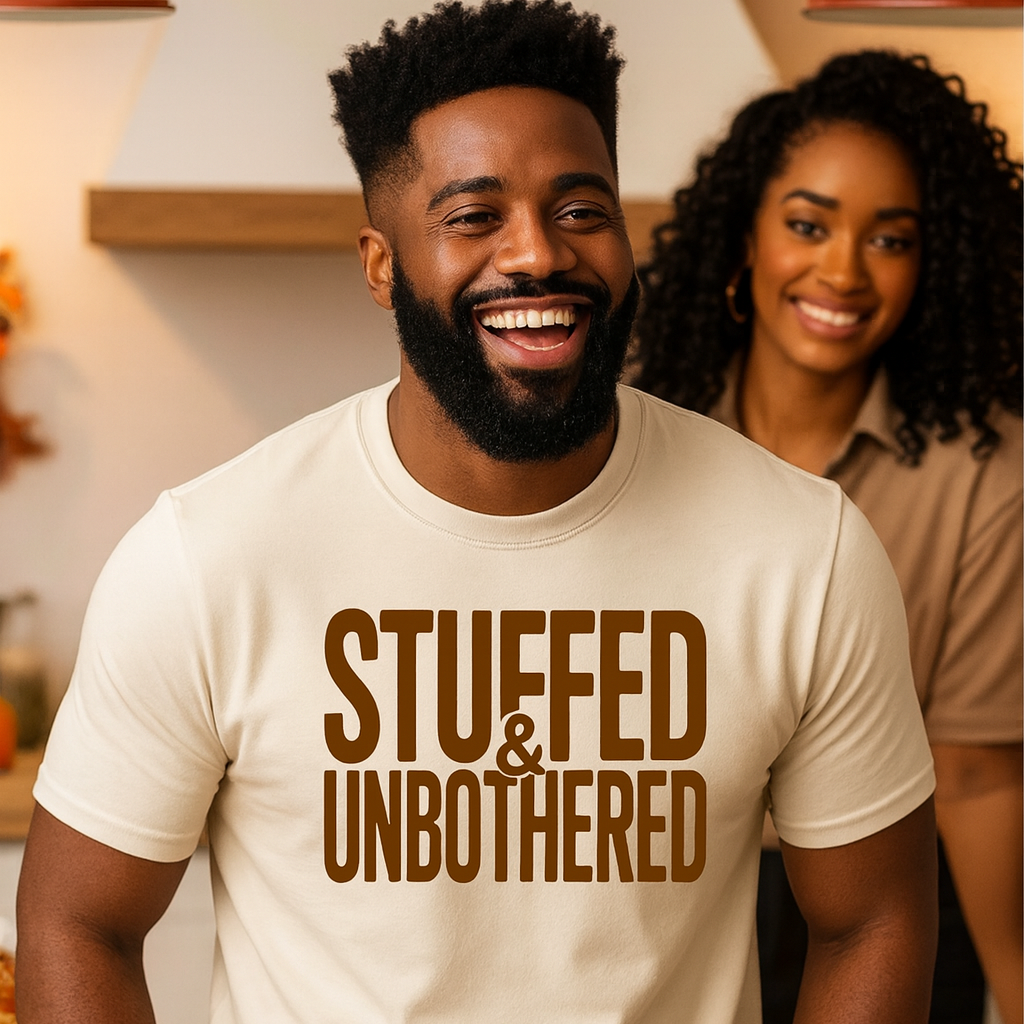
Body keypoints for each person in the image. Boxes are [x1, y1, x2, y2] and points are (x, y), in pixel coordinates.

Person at [17, 7, 938, 1023]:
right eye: (473, 216)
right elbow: (77, 922)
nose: (537, 253)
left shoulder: (802, 548)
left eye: (581, 209)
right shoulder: (207, 558)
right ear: (380, 263)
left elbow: (873, 919)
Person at [632, 50, 1022, 1024]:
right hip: (655, 893)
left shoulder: (985, 472)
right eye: (808, 225)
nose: (842, 272)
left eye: (890, 240)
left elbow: (972, 770)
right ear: (745, 239)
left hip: (892, 897)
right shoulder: (626, 434)